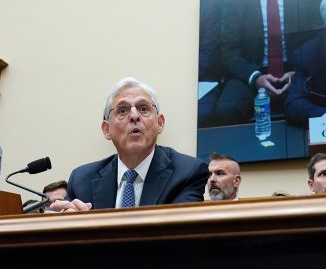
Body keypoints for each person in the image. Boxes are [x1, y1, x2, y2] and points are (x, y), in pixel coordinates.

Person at [50, 77, 208, 212]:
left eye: (143, 108)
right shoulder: (81, 180)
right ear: (107, 130)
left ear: (160, 123)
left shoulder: (188, 173)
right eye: (122, 110)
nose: (134, 116)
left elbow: (178, 238)